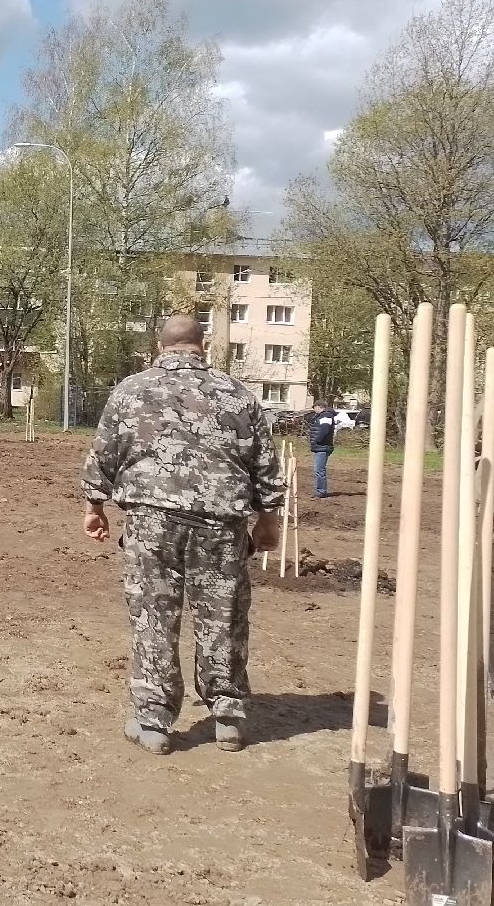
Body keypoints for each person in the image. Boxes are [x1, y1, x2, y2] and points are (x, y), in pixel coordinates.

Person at [81, 314, 284, 756]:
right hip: (221, 524)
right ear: (202, 345)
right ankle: (227, 717)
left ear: (161, 345)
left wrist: (94, 507)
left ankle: (153, 722)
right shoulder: (238, 394)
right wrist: (268, 519)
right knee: (223, 617)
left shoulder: (131, 390)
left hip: (151, 522)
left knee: (153, 617)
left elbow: (104, 453)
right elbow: (264, 463)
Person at [308, 398, 337, 499]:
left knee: (319, 470)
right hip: (321, 446)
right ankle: (320, 490)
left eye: (314, 408)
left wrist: (317, 440)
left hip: (323, 446)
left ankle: (321, 491)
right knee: (319, 469)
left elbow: (324, 430)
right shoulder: (321, 416)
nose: (314, 410)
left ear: (318, 407)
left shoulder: (326, 416)